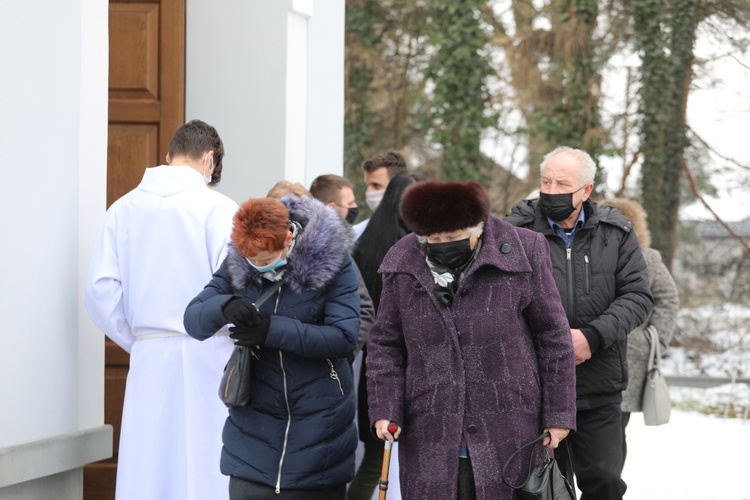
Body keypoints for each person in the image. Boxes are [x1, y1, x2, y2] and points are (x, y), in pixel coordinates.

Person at [366, 179, 577, 499]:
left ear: (478, 227)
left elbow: (553, 338)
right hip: (430, 427)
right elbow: (385, 344)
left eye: (453, 238)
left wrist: (558, 415)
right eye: (433, 239)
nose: (442, 244)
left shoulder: (524, 249)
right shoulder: (402, 260)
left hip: (510, 424)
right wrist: (386, 407)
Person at [85, 119, 238, 500]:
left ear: (169, 156)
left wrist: (141, 338)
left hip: (151, 354)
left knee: (149, 466)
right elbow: (238, 285)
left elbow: (101, 291)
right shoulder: (219, 208)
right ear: (208, 159)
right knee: (207, 465)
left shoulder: (122, 209)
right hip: (211, 351)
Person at [183, 195, 361, 499]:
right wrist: (224, 306)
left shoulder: (334, 261)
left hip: (320, 431)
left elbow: (343, 337)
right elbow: (193, 320)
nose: (258, 267)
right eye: (252, 260)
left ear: (288, 238)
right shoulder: (240, 261)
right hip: (253, 434)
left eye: (266, 259)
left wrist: (270, 329)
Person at [506, 146, 654, 500]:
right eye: (546, 181)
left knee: (604, 479)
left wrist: (592, 336)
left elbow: (638, 297)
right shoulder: (514, 231)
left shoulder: (616, 231)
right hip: (534, 385)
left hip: (597, 385)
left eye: (562, 183)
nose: (552, 190)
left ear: (586, 190)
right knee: (539, 488)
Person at [347, 171, 420, 500]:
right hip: (410, 363)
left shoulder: (364, 243)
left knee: (375, 457)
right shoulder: (412, 250)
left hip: (372, 366)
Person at [598, 198, 679, 466]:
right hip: (589, 355)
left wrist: (654, 339)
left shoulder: (647, 258)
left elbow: (668, 297)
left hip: (629, 359)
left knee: (614, 432)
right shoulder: (587, 256)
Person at [352, 150, 408, 239]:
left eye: (376, 185)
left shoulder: (421, 235)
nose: (368, 191)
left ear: (397, 186)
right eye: (368, 185)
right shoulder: (357, 234)